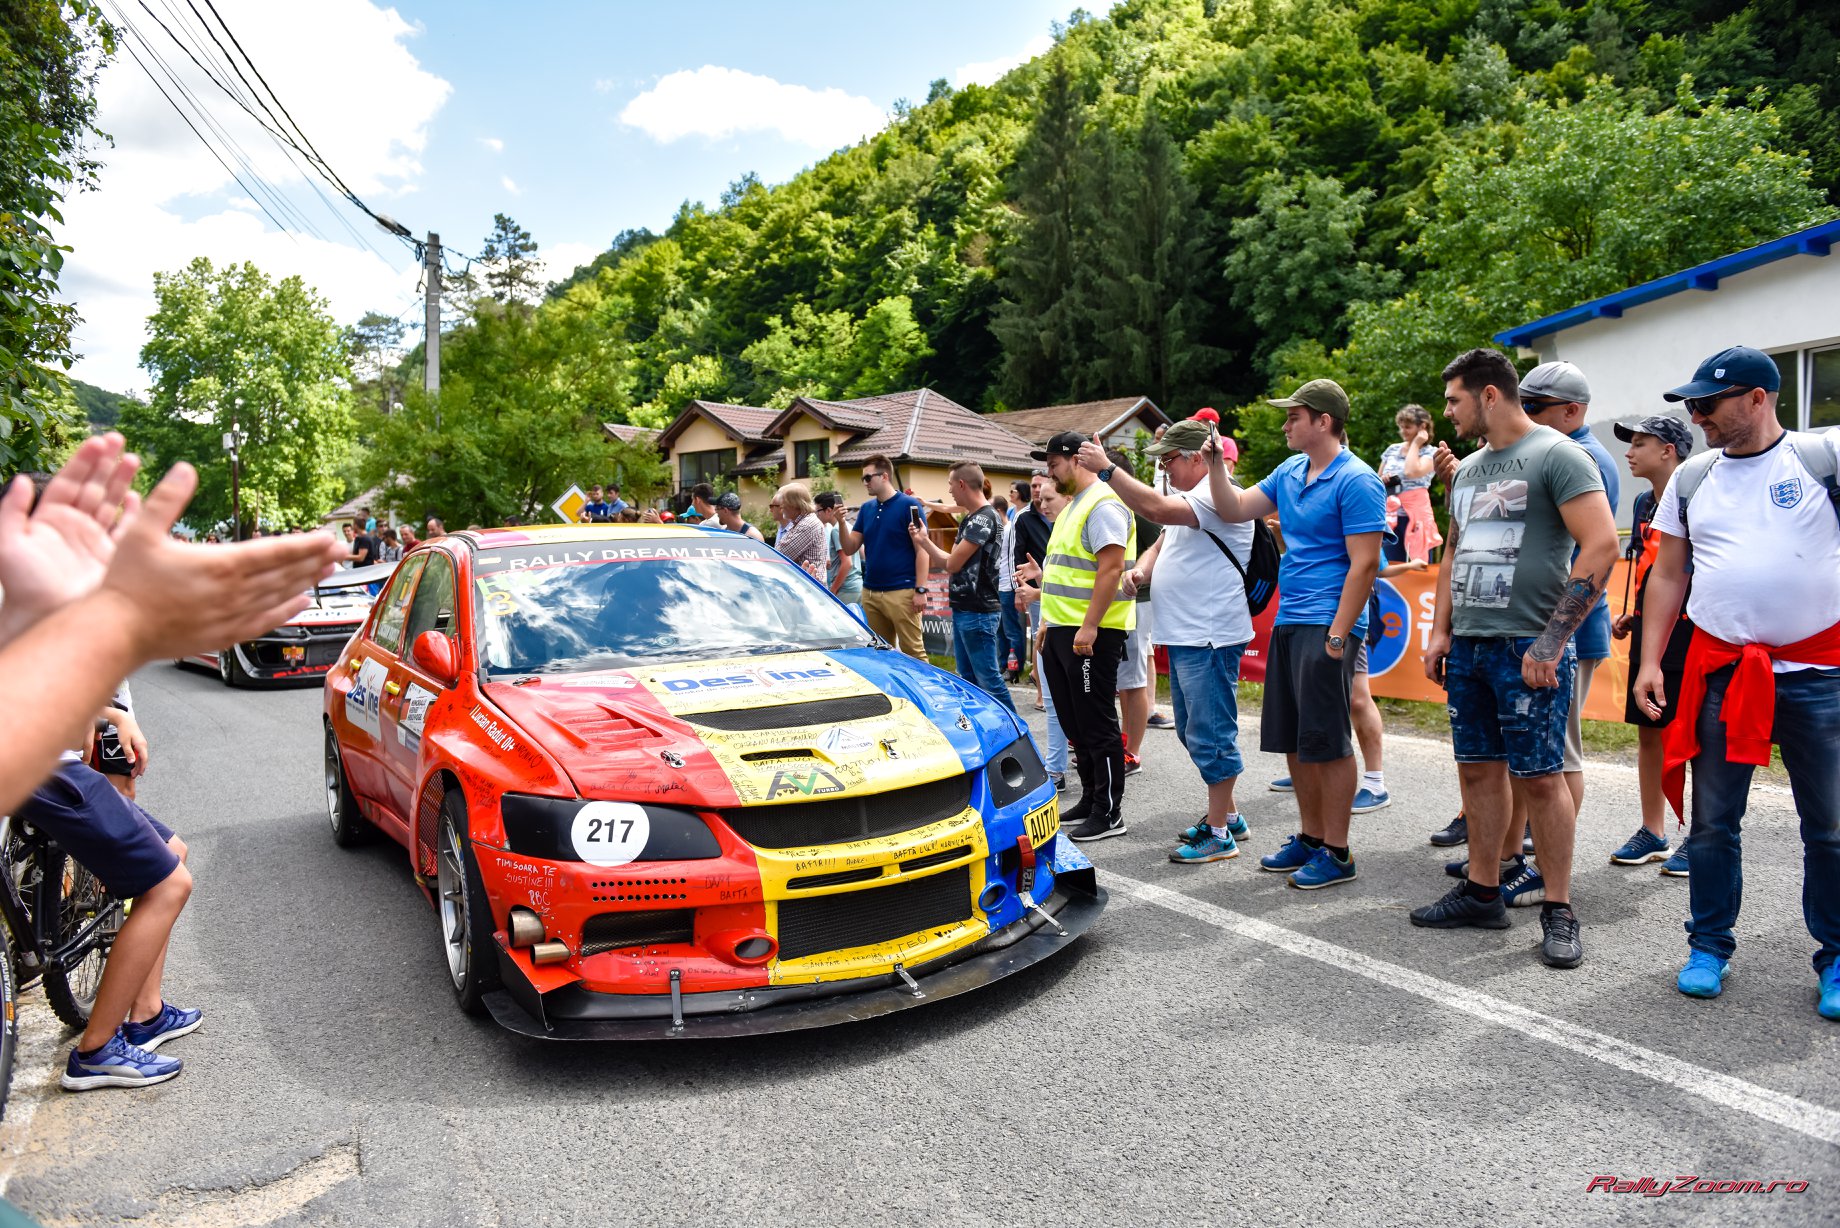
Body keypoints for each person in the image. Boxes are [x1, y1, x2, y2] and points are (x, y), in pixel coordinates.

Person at [1632, 346, 1840, 1015]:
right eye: (1690, 406)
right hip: (1721, 674)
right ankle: (1709, 945)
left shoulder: (1821, 462)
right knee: (1714, 824)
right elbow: (1668, 574)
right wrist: (1647, 663)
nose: (1696, 417)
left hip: (1819, 676)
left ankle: (1836, 957)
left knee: (1831, 827)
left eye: (1708, 404)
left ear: (1758, 398)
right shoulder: (1693, 478)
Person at [1411, 348, 1617, 970]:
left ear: (1490, 395)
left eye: (1453, 399)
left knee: (1541, 778)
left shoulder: (1559, 454)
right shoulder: (1469, 470)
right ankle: (1482, 890)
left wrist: (1551, 641)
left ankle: (1558, 907)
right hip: (1471, 646)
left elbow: (1602, 545)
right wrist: (1441, 633)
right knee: (1476, 771)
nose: (1446, 412)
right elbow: (1452, 552)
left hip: (1528, 645)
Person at [1205, 380, 1384, 889]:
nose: (1285, 425)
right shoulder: (1291, 470)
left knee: (1327, 739)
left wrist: (1337, 635)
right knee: (1297, 739)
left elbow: (1365, 564)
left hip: (1327, 622)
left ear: (1322, 422)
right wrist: (1217, 463)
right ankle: (1310, 837)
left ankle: (1338, 850)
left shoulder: (1358, 479)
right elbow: (1234, 508)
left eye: (1294, 417)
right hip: (1291, 620)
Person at [1077, 419, 1255, 863]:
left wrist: (1106, 470)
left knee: (1211, 733)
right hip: (1190, 633)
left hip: (1209, 634)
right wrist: (1142, 570)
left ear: (1198, 457)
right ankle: (1227, 816)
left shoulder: (1218, 493)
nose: (1166, 468)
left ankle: (1218, 834)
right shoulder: (1193, 496)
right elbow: (1163, 538)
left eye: (1170, 459)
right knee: (1197, 731)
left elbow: (1155, 511)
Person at [1018, 432, 1136, 841]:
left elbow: (1110, 569)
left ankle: (1109, 813)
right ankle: (1090, 798)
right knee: (1074, 722)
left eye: (1053, 464)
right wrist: (1042, 581)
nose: (1049, 472)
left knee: (1096, 722)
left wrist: (1089, 625)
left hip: (1092, 634)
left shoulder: (1103, 503)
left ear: (1077, 460)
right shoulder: (1076, 506)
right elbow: (1079, 570)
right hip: (1063, 631)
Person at [1606, 414, 1696, 877]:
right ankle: (1653, 831)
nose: (1629, 451)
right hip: (1651, 630)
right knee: (1649, 731)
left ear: (1669, 451)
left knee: (1697, 736)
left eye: (1640, 443)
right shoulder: (1643, 502)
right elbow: (1651, 568)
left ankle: (1701, 836)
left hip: (1696, 632)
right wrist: (1634, 613)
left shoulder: (1701, 494)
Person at [909, 461, 1016, 714]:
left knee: (988, 681)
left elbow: (952, 564)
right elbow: (949, 558)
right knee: (968, 679)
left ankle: (1015, 731)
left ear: (961, 484)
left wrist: (924, 541)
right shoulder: (974, 516)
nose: (949, 491)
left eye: (950, 485)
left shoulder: (983, 519)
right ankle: (985, 729)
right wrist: (925, 534)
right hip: (967, 610)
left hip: (978, 612)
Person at [835, 455, 929, 660]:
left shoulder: (909, 505)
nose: (865, 483)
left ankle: (925, 691)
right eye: (863, 478)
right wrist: (841, 523)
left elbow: (922, 549)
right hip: (871, 592)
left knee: (914, 652)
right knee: (880, 655)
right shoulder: (866, 509)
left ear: (885, 476)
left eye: (868, 478)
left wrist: (921, 589)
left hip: (902, 591)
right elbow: (850, 547)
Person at [1377, 404, 1443, 562]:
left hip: (1416, 516)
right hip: (1391, 516)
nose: (1403, 431)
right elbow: (1376, 480)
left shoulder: (1431, 452)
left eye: (1407, 427)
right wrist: (1384, 480)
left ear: (1422, 427)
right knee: (1391, 565)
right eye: (1401, 427)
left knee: (1418, 566)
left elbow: (1411, 471)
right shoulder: (1392, 449)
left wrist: (1416, 444)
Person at [1012, 473, 1054, 704]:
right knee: (1041, 638)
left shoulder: (1060, 512)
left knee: (1050, 638)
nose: (1037, 490)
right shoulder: (1023, 517)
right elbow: (1016, 555)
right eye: (1034, 485)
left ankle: (1049, 688)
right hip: (1035, 587)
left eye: (1041, 485)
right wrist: (1020, 590)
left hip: (1054, 582)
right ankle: (1041, 692)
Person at [997, 480, 1028, 682]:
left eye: (1013, 491)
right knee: (1001, 628)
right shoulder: (1011, 516)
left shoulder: (1019, 520)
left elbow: (1014, 555)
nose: (1010, 493)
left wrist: (1016, 585)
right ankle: (1003, 664)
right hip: (1001, 582)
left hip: (1010, 583)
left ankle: (1014, 666)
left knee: (1012, 629)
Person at [814, 490, 863, 615]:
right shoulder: (848, 526)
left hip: (846, 588)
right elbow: (862, 554)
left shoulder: (837, 530)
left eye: (818, 511)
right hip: (856, 586)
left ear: (829, 510)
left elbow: (847, 563)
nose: (816, 515)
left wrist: (833, 589)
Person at [772, 483, 827, 581]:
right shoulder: (801, 522)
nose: (781, 506)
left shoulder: (806, 525)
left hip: (809, 588)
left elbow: (778, 556)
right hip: (808, 585)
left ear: (795, 504)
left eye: (784, 502)